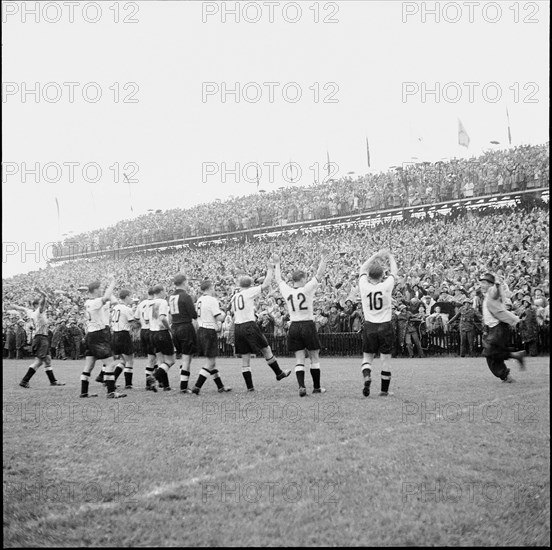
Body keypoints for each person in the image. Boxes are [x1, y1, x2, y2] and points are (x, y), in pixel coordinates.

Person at [274, 249, 330, 397]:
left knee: (299, 358)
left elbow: (279, 280)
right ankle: (317, 387)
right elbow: (319, 275)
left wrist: (277, 264)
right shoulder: (307, 288)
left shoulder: (287, 291)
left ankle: (301, 386)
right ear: (303, 279)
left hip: (294, 325)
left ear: (293, 280)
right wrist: (324, 258)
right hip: (307, 324)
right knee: (314, 357)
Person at [231, 263, 290, 392]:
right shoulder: (249, 292)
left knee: (245, 358)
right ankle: (279, 373)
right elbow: (266, 284)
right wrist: (270, 269)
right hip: (248, 325)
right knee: (266, 349)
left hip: (238, 327)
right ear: (250, 285)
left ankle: (250, 387)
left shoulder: (234, 296)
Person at [358, 249, 398, 397]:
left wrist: (375, 255)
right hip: (385, 325)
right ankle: (384, 391)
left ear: (368, 275)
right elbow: (394, 272)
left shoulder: (364, 285)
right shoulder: (386, 285)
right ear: (382, 275)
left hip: (369, 326)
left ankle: (367, 376)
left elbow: (362, 268)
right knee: (385, 360)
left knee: (367, 357)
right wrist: (390, 257)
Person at [11, 288, 65, 388]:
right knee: (39, 362)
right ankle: (24, 381)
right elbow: (42, 302)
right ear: (36, 305)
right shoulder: (38, 312)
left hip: (39, 338)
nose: (45, 307)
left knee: (47, 360)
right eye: (43, 305)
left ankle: (53, 381)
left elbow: (22, 308)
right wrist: (42, 294)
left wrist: (14, 306)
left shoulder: (30, 312)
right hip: (41, 338)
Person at [81, 275, 125, 398]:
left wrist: (107, 289)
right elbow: (106, 297)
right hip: (99, 335)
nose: (101, 290)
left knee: (89, 366)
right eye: (100, 289)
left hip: (91, 334)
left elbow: (113, 301)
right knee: (110, 363)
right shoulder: (95, 302)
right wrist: (113, 282)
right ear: (95, 290)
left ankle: (84, 392)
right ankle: (111, 392)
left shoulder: (89, 303)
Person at [479, 272, 526, 383]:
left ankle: (513, 359)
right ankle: (506, 373)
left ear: (490, 284)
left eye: (484, 283)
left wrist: (497, 284)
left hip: (498, 327)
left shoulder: (492, 291)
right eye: (481, 283)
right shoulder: (486, 295)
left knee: (490, 352)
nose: (481, 285)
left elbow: (495, 292)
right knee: (491, 355)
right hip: (492, 328)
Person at [190, 280, 232, 395]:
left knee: (211, 362)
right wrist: (224, 314)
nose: (214, 290)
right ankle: (197, 386)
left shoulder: (199, 300)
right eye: (213, 287)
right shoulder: (212, 300)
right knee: (210, 362)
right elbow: (219, 317)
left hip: (201, 330)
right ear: (209, 288)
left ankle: (220, 386)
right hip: (209, 331)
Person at [168, 274, 199, 393]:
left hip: (175, 327)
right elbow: (193, 314)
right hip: (185, 327)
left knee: (184, 358)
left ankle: (183, 380)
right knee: (187, 359)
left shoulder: (171, 297)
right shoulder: (185, 296)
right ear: (184, 282)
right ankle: (183, 387)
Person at [111, 289, 139, 389]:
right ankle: (128, 384)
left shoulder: (115, 307)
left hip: (115, 334)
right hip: (123, 334)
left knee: (123, 360)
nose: (131, 299)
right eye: (130, 297)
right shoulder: (126, 309)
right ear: (126, 297)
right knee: (130, 360)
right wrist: (139, 322)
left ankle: (112, 380)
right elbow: (133, 324)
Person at [150, 285, 176, 391]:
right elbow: (162, 317)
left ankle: (166, 386)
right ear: (161, 291)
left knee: (161, 361)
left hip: (152, 333)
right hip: (161, 332)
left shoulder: (150, 303)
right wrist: (169, 329)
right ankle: (154, 377)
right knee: (171, 360)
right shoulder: (163, 302)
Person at [134, 288, 158, 391]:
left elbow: (136, 318)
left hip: (143, 331)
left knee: (152, 358)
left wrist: (142, 323)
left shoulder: (141, 303)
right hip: (152, 330)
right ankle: (152, 383)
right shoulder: (156, 302)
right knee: (156, 357)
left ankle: (156, 382)